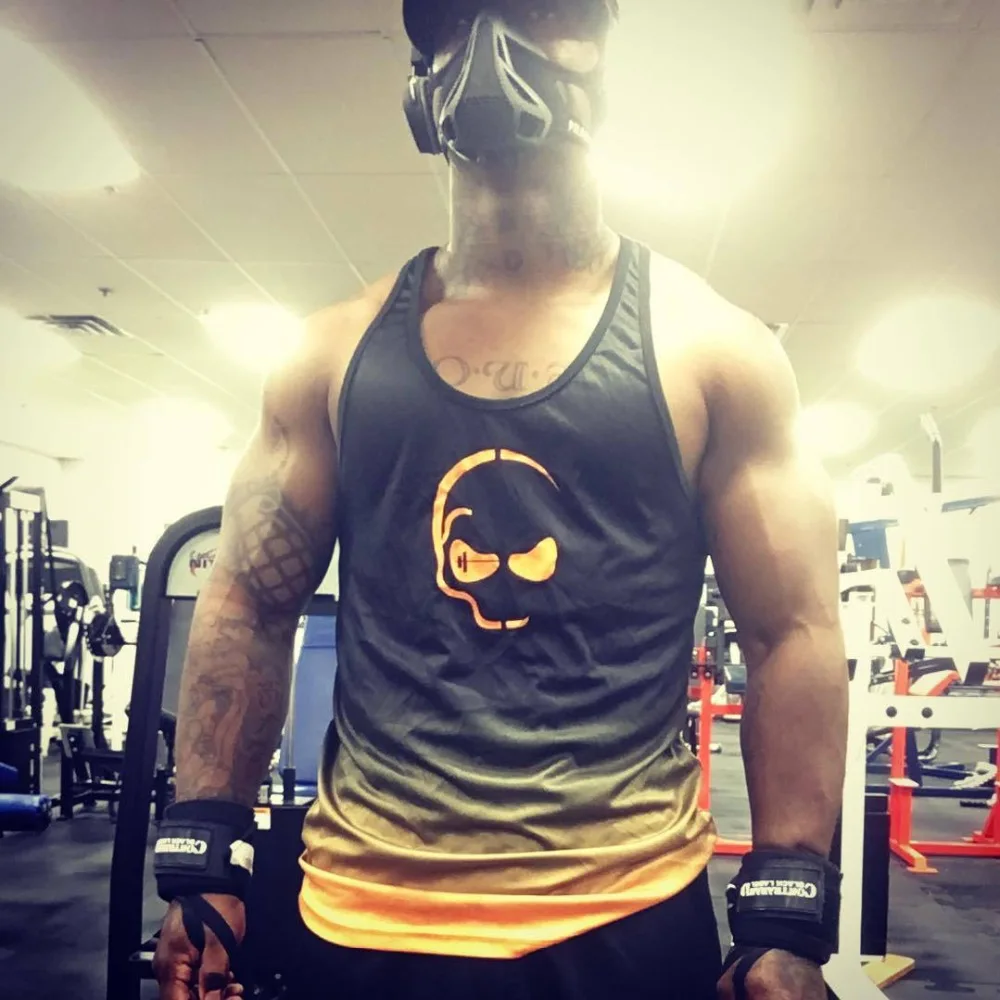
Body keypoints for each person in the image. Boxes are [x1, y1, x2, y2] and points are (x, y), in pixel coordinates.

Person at [152, 2, 849, 999]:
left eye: (540, 12)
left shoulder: (714, 352)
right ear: (418, 79)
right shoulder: (332, 355)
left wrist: (785, 915)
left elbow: (791, 633)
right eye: (454, 20)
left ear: (603, 61)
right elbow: (248, 605)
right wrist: (206, 859)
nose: (489, 43)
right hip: (359, 914)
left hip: (622, 916)